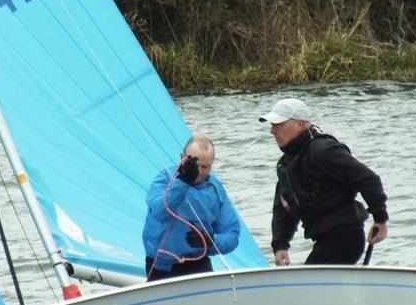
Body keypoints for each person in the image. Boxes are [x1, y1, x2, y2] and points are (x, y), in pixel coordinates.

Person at [259, 98, 388, 266]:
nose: (272, 131)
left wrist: (380, 220)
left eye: (279, 125)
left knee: (306, 285)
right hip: (324, 239)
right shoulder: (286, 163)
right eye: (272, 125)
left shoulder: (323, 150)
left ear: (300, 124)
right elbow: (283, 207)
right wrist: (280, 244)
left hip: (345, 238)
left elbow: (368, 179)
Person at [142, 135, 240, 280]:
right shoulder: (164, 180)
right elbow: (159, 210)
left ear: (212, 163)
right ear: (183, 157)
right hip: (161, 265)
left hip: (199, 262)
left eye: (205, 167)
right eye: (195, 164)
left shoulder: (216, 190)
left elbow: (232, 234)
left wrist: (211, 241)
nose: (199, 172)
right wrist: (182, 182)